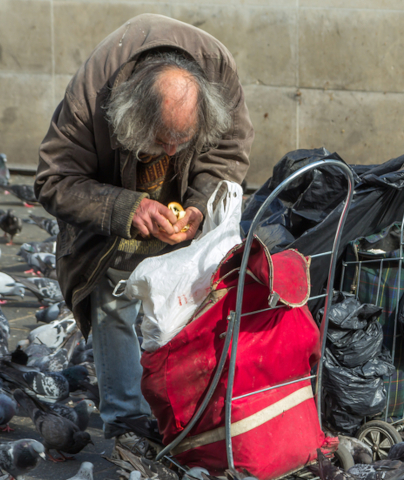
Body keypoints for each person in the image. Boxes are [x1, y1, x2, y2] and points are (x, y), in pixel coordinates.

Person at [34, 14, 254, 456]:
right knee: (115, 295)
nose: (172, 150)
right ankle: (125, 421)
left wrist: (198, 203)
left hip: (181, 200)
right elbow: (53, 180)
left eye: (182, 139)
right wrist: (128, 207)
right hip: (114, 200)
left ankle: (186, 410)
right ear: (132, 114)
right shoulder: (91, 95)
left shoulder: (218, 70)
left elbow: (228, 151)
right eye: (162, 139)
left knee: (192, 299)